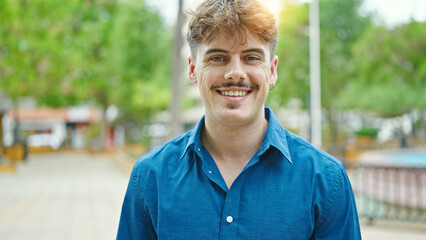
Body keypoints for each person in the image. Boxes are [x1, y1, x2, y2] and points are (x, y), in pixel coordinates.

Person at [117, 0, 361, 239]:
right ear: (192, 69)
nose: (235, 73)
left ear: (272, 70)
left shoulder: (326, 181)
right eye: (217, 58)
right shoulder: (150, 178)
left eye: (251, 58)